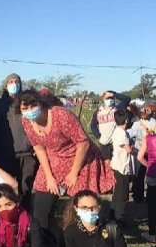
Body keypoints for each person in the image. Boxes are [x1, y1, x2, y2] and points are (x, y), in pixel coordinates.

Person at [19, 90, 114, 230]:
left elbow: (83, 143)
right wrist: (49, 177)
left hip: (81, 159)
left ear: (41, 104)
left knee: (82, 207)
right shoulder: (26, 121)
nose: (29, 111)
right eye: (25, 108)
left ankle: (86, 239)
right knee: (41, 209)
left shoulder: (61, 115)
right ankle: (47, 244)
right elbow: (38, 148)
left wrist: (73, 173)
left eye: (33, 106)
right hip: (54, 159)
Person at [0, 73, 37, 210]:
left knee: (26, 187)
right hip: (6, 153)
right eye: (10, 81)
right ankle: (8, 215)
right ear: (6, 85)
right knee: (6, 188)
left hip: (27, 152)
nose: (14, 84)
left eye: (16, 81)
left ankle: (26, 216)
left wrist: (35, 145)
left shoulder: (27, 103)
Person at [90, 90, 131, 167]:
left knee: (117, 164)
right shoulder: (98, 112)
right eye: (108, 98)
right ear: (103, 99)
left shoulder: (117, 109)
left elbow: (127, 99)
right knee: (106, 164)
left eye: (112, 98)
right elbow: (93, 125)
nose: (110, 99)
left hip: (115, 142)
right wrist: (98, 136)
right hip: (104, 142)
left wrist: (113, 94)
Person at [109, 110, 133, 226]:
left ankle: (112, 215)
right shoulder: (122, 133)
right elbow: (128, 149)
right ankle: (119, 219)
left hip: (116, 165)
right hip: (121, 166)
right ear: (126, 120)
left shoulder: (116, 131)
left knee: (117, 192)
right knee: (122, 194)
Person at [129, 103, 156, 202]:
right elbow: (130, 133)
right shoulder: (139, 123)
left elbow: (129, 134)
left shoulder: (150, 122)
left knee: (144, 175)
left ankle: (144, 196)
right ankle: (143, 196)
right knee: (143, 175)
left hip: (145, 151)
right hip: (145, 151)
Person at [137, 128, 156, 243]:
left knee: (152, 204)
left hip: (152, 174)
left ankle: (153, 233)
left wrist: (148, 165)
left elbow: (139, 157)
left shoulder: (148, 138)